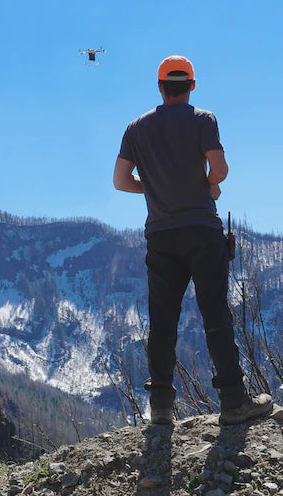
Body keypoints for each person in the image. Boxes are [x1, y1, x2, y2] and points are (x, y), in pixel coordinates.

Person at [112, 55, 273, 426]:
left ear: (159, 86)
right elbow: (219, 169)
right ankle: (233, 401)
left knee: (163, 321)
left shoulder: (136, 128)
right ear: (192, 86)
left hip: (161, 235)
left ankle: (161, 409)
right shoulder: (203, 120)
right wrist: (210, 185)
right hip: (202, 230)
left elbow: (120, 181)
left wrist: (152, 188)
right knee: (215, 313)